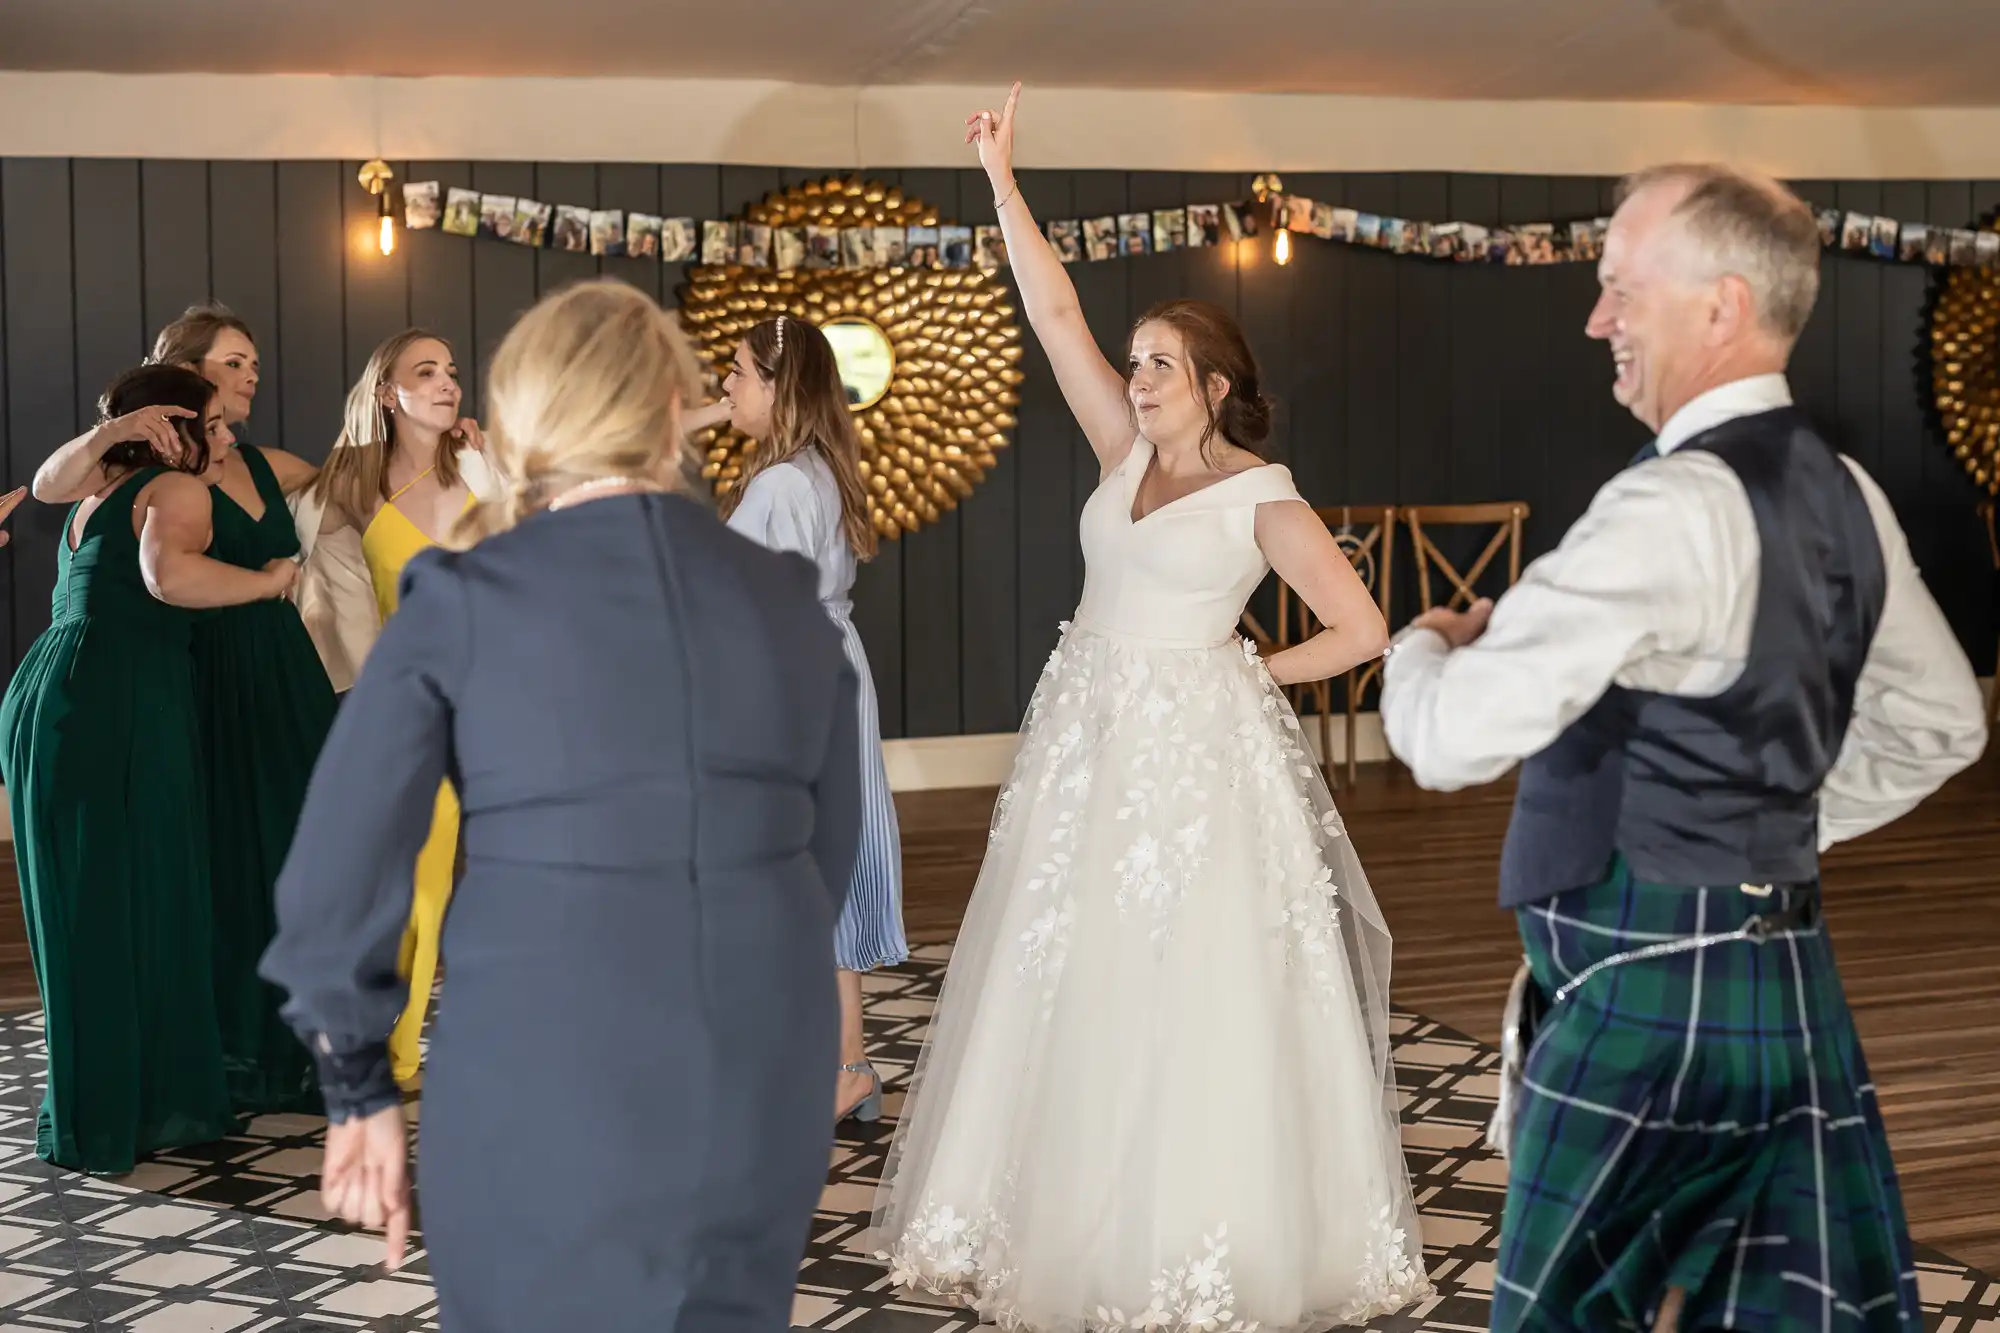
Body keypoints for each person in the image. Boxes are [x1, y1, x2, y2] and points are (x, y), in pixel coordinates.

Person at [1379, 165, 1990, 1333]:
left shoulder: (1661, 509)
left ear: (1718, 307)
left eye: (1618, 289)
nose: (1595, 320)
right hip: (1784, 988)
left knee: (1562, 1315)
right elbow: (1942, 724)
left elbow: (1444, 741)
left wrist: (1421, 642)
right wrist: (1764, 825)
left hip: (1641, 1006)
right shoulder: (1845, 489)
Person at [867, 85, 1430, 1331]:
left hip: (1193, 756)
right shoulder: (1119, 451)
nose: (1136, 380)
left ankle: (1193, 1231)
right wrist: (1002, 183)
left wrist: (1241, 672)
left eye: (1158, 367)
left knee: (1190, 974)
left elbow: (1361, 630)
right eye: (1134, 366)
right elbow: (1052, 310)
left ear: (1214, 385)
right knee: (1061, 960)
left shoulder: (1261, 498)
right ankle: (1045, 1205)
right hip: (1087, 742)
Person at [260, 279, 860, 1331]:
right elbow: (833, 852)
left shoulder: (462, 597)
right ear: (674, 410)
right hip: (761, 1053)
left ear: (529, 420)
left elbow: (338, 866)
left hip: (545, 1042)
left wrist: (357, 1088)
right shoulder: (785, 600)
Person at [33, 306, 334, 1115]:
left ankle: (283, 1049)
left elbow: (359, 483)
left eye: (254, 363)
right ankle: (208, 1055)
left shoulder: (261, 461)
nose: (251, 376)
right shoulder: (143, 472)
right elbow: (56, 491)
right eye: (234, 363)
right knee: (198, 872)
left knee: (288, 858)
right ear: (191, 378)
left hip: (270, 672)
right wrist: (270, 579)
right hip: (187, 675)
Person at [691, 314, 906, 1125]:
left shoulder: (780, 484)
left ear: (779, 386)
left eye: (739, 373)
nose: (727, 387)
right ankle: (843, 1062)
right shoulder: (812, 468)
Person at [289, 329, 498, 1090]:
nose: (449, 383)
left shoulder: (481, 470)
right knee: (407, 886)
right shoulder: (346, 490)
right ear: (387, 392)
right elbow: (333, 610)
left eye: (451, 370)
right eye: (427, 372)